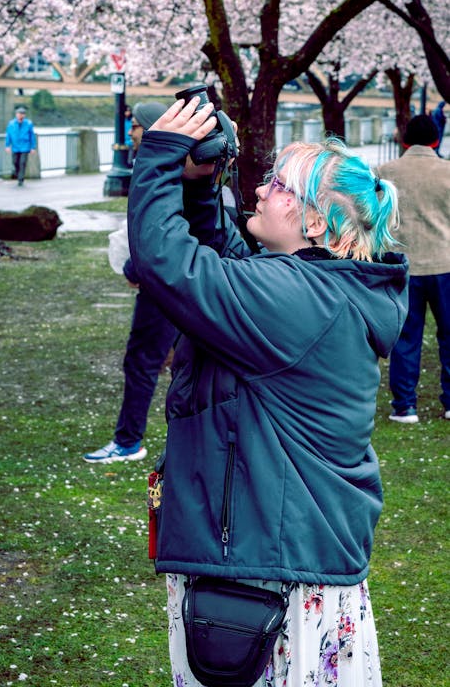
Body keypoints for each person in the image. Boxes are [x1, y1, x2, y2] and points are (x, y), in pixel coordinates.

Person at [127, 96, 408, 687]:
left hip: (271, 579)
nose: (259, 190)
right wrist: (202, 186)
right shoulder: (323, 289)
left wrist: (156, 159)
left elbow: (171, 266)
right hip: (286, 556)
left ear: (314, 220)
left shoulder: (299, 300)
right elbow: (227, 264)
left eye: (278, 185)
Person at [83, 101, 175, 464]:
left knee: (142, 360)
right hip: (169, 283)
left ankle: (128, 441)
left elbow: (157, 228)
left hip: (160, 286)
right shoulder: (165, 167)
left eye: (136, 126)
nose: (131, 132)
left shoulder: (159, 171)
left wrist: (135, 271)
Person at [378, 114, 450, 423]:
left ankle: (405, 406)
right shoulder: (447, 171)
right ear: (436, 140)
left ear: (404, 140)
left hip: (403, 265)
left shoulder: (385, 173)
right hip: (445, 262)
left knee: (407, 337)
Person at [5, 106, 36, 187]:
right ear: (16, 115)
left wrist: (33, 147)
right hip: (15, 146)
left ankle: (20, 179)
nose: (20, 116)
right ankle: (18, 173)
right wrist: (7, 145)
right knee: (15, 162)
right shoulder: (11, 123)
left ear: (24, 115)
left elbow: (32, 136)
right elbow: (8, 135)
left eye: (22, 114)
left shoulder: (28, 123)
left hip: (25, 146)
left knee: (22, 162)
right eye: (19, 114)